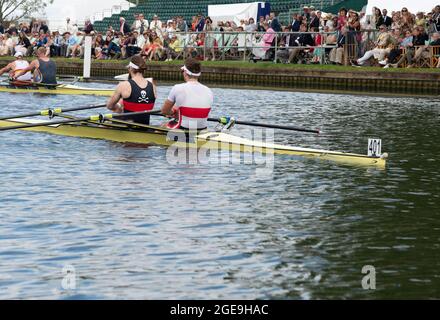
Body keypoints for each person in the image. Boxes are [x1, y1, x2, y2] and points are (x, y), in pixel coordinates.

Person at [161, 58, 213, 131]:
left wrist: (172, 112)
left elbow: (164, 111)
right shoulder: (209, 90)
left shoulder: (177, 88)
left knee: (162, 126)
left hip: (184, 129)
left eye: (182, 71)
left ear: (185, 72)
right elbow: (195, 111)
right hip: (202, 129)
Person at [107, 55, 157, 125]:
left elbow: (109, 106)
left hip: (127, 125)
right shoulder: (153, 86)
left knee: (107, 121)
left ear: (131, 69)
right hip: (144, 125)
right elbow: (143, 105)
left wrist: (118, 107)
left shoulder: (123, 85)